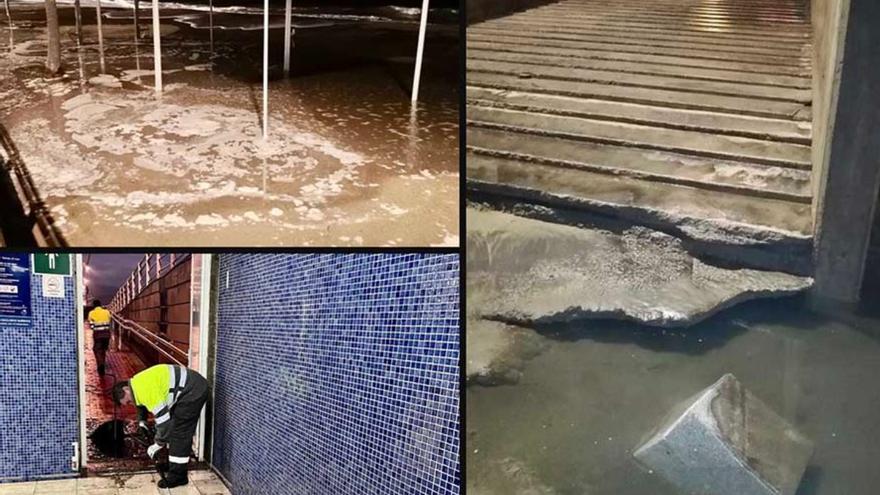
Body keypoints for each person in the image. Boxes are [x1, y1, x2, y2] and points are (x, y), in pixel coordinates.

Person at [111, 364, 210, 489]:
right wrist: (142, 421)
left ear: (126, 389)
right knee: (175, 430)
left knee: (179, 433)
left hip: (194, 391)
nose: (131, 404)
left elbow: (164, 424)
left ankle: (179, 476)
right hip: (190, 387)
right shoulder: (136, 383)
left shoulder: (146, 391)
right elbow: (139, 403)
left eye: (128, 401)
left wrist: (158, 444)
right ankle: (173, 465)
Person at [87, 300, 112, 376]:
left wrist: (96, 327)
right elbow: (109, 321)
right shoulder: (107, 312)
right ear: (100, 305)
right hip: (107, 334)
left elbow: (91, 326)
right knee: (103, 350)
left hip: (98, 334)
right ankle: (102, 364)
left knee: (97, 350)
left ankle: (100, 365)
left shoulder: (91, 313)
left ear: (94, 306)